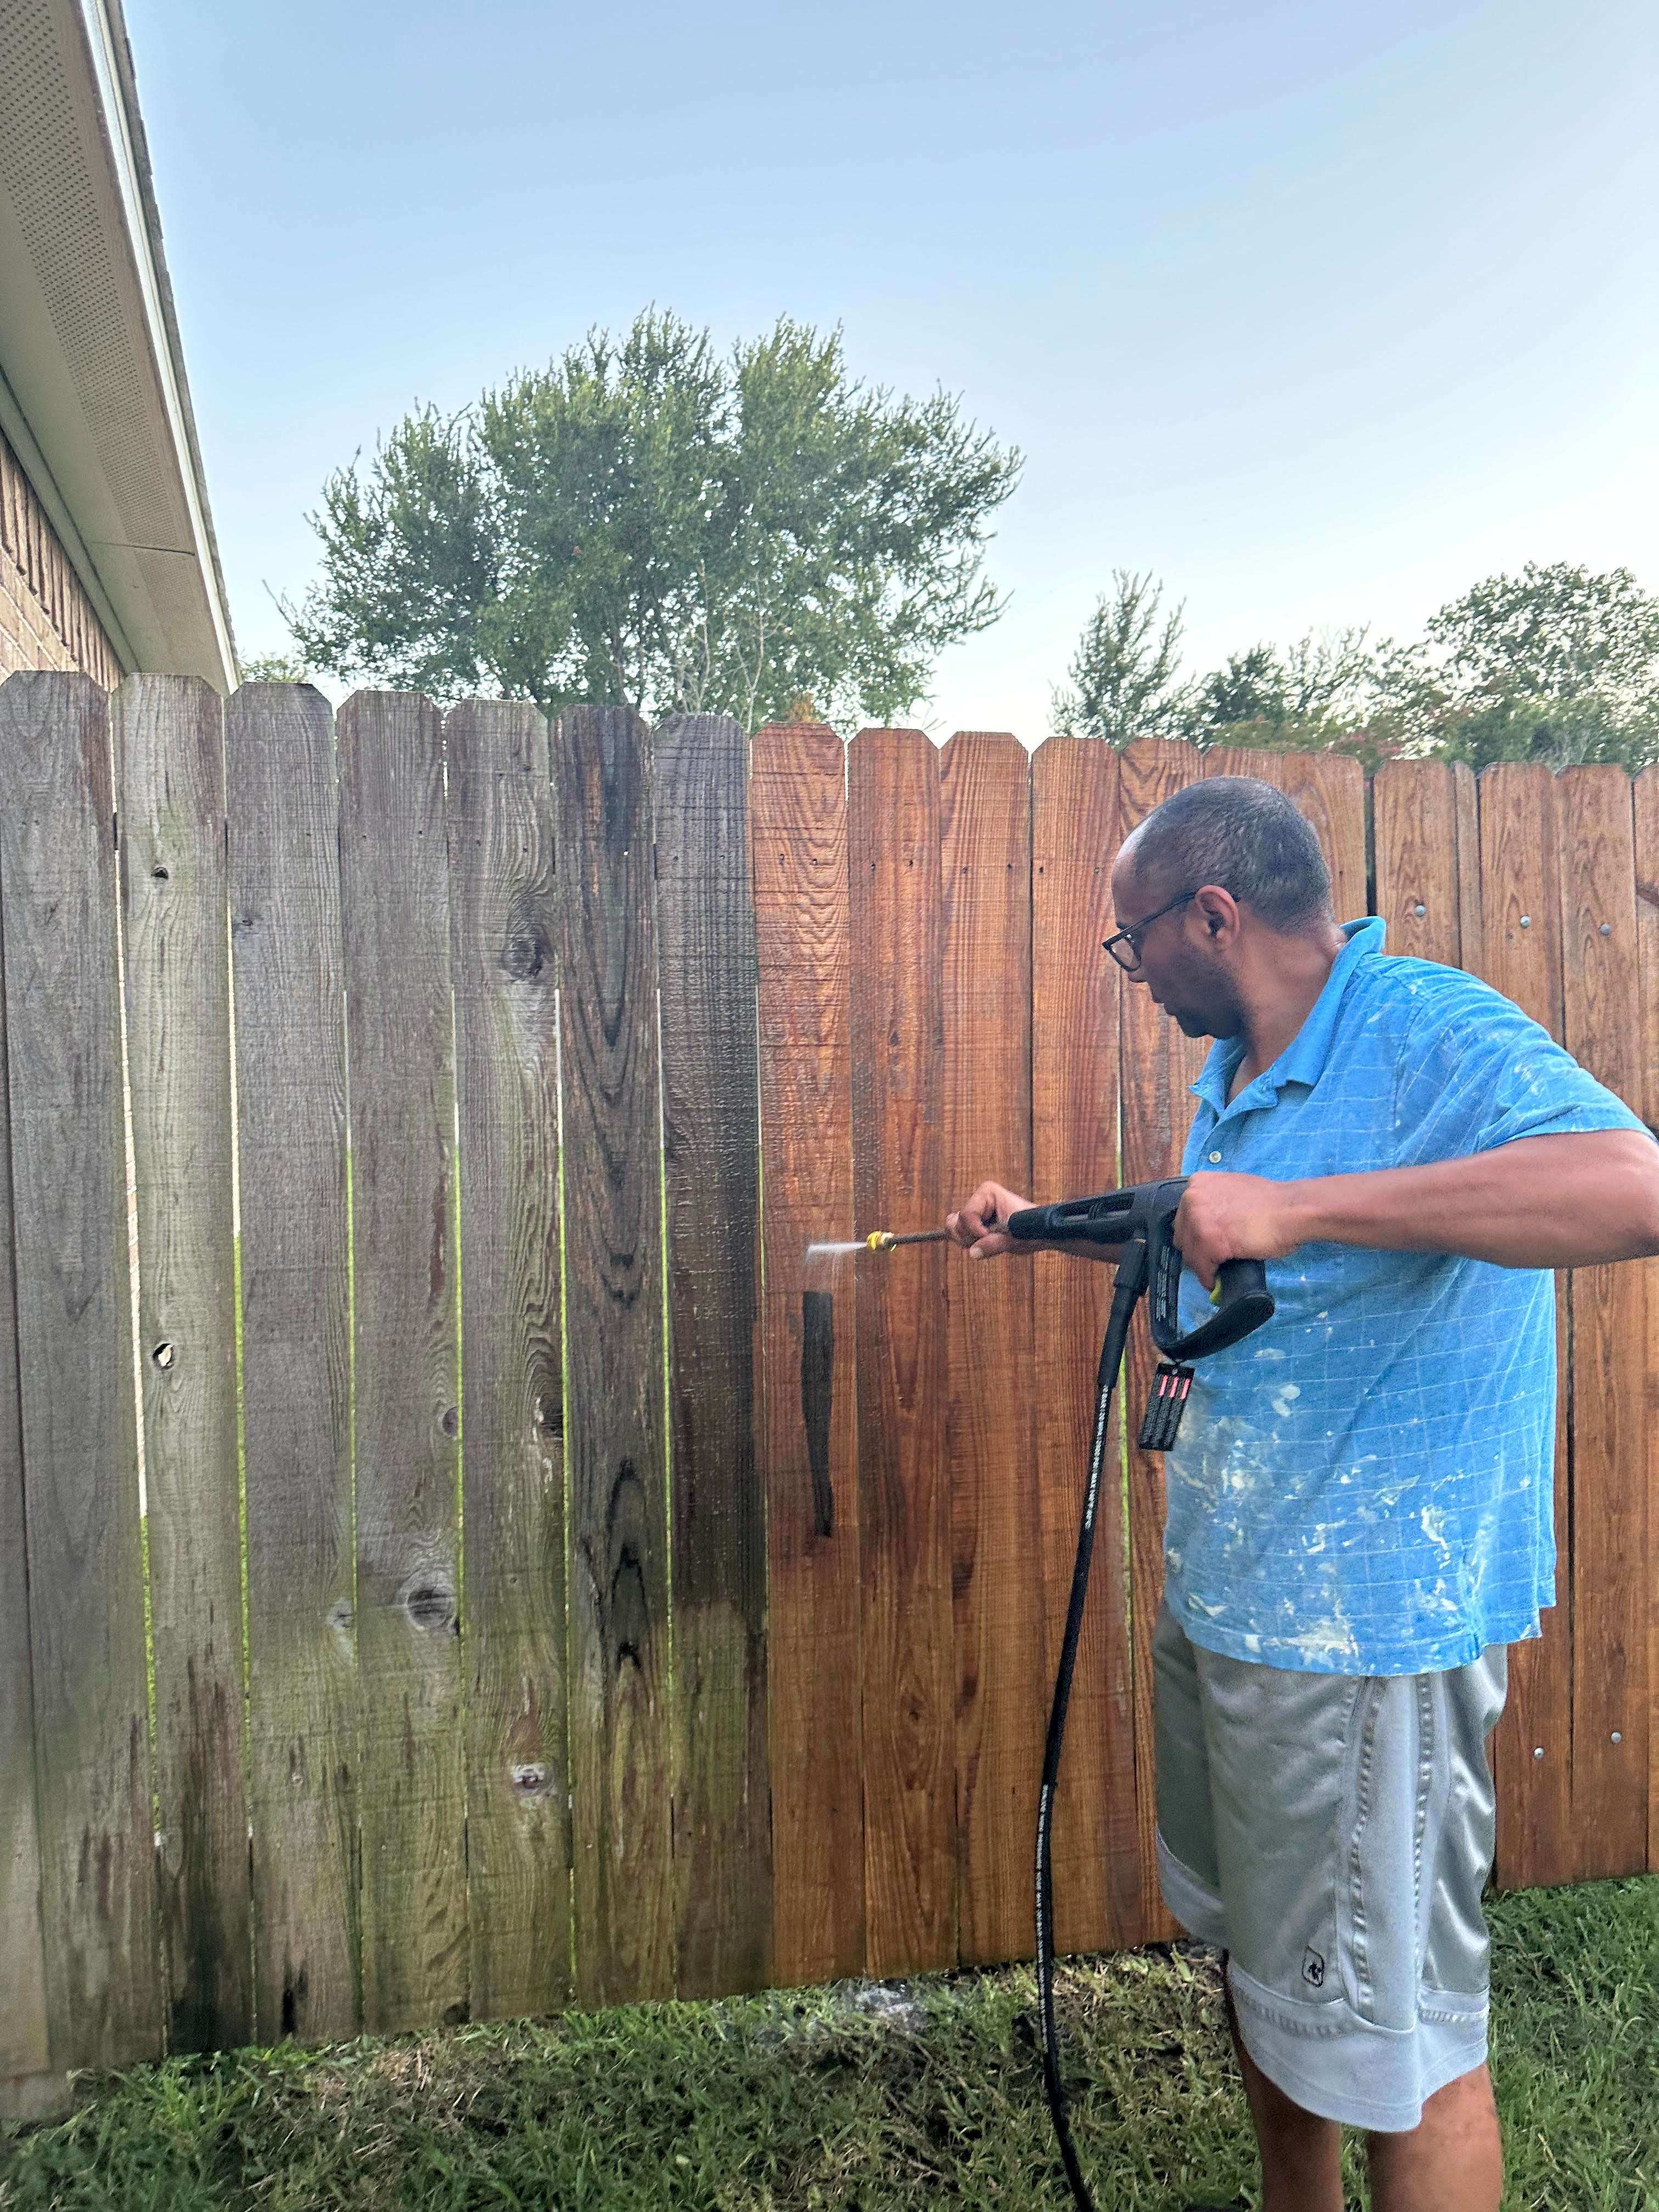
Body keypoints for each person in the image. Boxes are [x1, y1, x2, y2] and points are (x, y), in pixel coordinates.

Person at [945, 776, 1659, 2212]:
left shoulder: (1418, 1028)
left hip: (1366, 1640)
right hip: (1236, 1608)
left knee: (1402, 2038)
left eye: (1131, 939)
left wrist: (1301, 1207)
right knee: (1269, 1974)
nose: (1131, 968)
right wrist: (1047, 1231)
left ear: (1211, 914)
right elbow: (1234, 1252)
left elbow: (1632, 1186)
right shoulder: (1242, 1081)